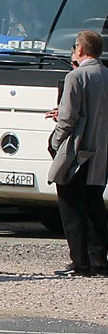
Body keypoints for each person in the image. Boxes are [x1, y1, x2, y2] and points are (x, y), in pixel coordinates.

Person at [46, 29, 108, 276]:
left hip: (77, 151)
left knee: (71, 206)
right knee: (94, 206)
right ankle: (99, 261)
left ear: (80, 50)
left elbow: (69, 119)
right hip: (101, 152)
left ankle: (80, 263)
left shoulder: (76, 76)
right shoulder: (105, 74)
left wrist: (55, 143)